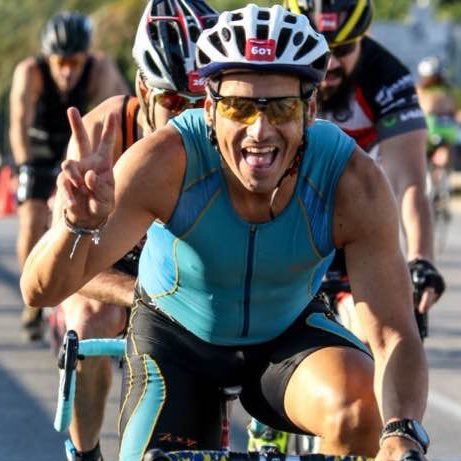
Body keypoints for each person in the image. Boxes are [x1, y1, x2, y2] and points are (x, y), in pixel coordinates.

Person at [21, 5, 430, 461]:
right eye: (240, 107)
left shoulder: (351, 179)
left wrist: (401, 431)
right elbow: (40, 291)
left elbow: (394, 333)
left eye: (281, 107)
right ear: (211, 109)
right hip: (176, 342)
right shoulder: (164, 161)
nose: (260, 131)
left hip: (286, 337)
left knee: (361, 410)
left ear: (310, 110)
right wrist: (77, 226)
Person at [52, 1, 218, 460]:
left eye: (201, 103)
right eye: (174, 102)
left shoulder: (224, 131)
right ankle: (86, 452)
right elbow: (67, 265)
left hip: (189, 263)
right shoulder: (103, 131)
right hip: (113, 260)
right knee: (89, 322)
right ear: (144, 90)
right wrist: (144, 295)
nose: (189, 118)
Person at [283, 0, 445, 342]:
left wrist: (420, 259)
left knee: (384, 339)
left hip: (354, 216)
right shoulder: (273, 69)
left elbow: (409, 181)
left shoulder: (387, 77)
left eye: (344, 49)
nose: (330, 63)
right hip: (283, 217)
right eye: (317, 48)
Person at [9, 10, 129, 341]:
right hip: (38, 149)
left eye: (74, 62)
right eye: (59, 62)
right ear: (47, 57)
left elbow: (111, 120)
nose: (67, 71)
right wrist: (25, 166)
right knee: (32, 217)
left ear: (85, 57)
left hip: (81, 147)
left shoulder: (100, 68)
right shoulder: (29, 71)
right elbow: (19, 124)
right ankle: (35, 295)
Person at [416, 56, 460, 221]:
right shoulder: (449, 92)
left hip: (428, 133)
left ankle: (436, 187)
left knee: (428, 159)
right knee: (442, 158)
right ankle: (442, 187)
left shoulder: (419, 91)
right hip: (444, 133)